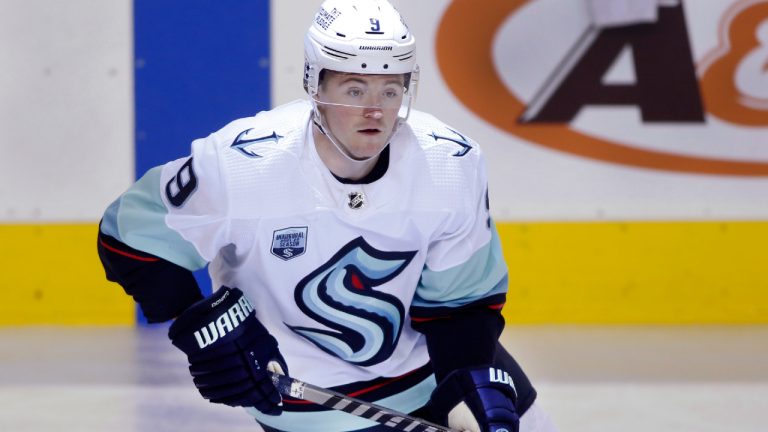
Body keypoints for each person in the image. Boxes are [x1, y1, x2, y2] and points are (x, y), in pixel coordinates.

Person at [97, 1, 558, 431]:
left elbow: (462, 305)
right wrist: (202, 324)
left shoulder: (449, 164)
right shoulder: (241, 165)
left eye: (390, 88)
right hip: (308, 403)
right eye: (354, 89)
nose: (375, 110)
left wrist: (469, 378)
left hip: (432, 372)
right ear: (315, 86)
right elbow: (128, 236)